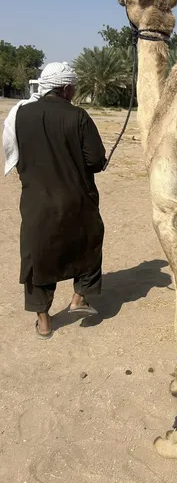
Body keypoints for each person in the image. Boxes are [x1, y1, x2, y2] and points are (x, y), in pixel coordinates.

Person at [2, 61, 107, 338]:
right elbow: (95, 161)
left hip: (37, 205)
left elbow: (15, 155)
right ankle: (79, 298)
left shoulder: (20, 115)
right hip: (78, 202)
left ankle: (44, 319)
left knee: (38, 257)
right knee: (89, 244)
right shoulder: (79, 116)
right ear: (66, 88)